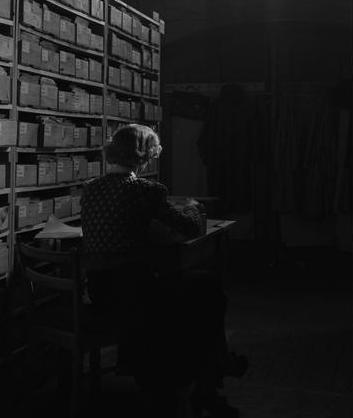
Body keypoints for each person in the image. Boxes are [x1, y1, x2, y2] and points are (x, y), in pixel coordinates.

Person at [80, 124, 241, 418]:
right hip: (135, 294)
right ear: (146, 157)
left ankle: (212, 373)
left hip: (100, 293)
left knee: (199, 291)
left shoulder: (91, 189)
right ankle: (211, 376)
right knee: (207, 289)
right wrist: (192, 206)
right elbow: (190, 227)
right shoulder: (146, 190)